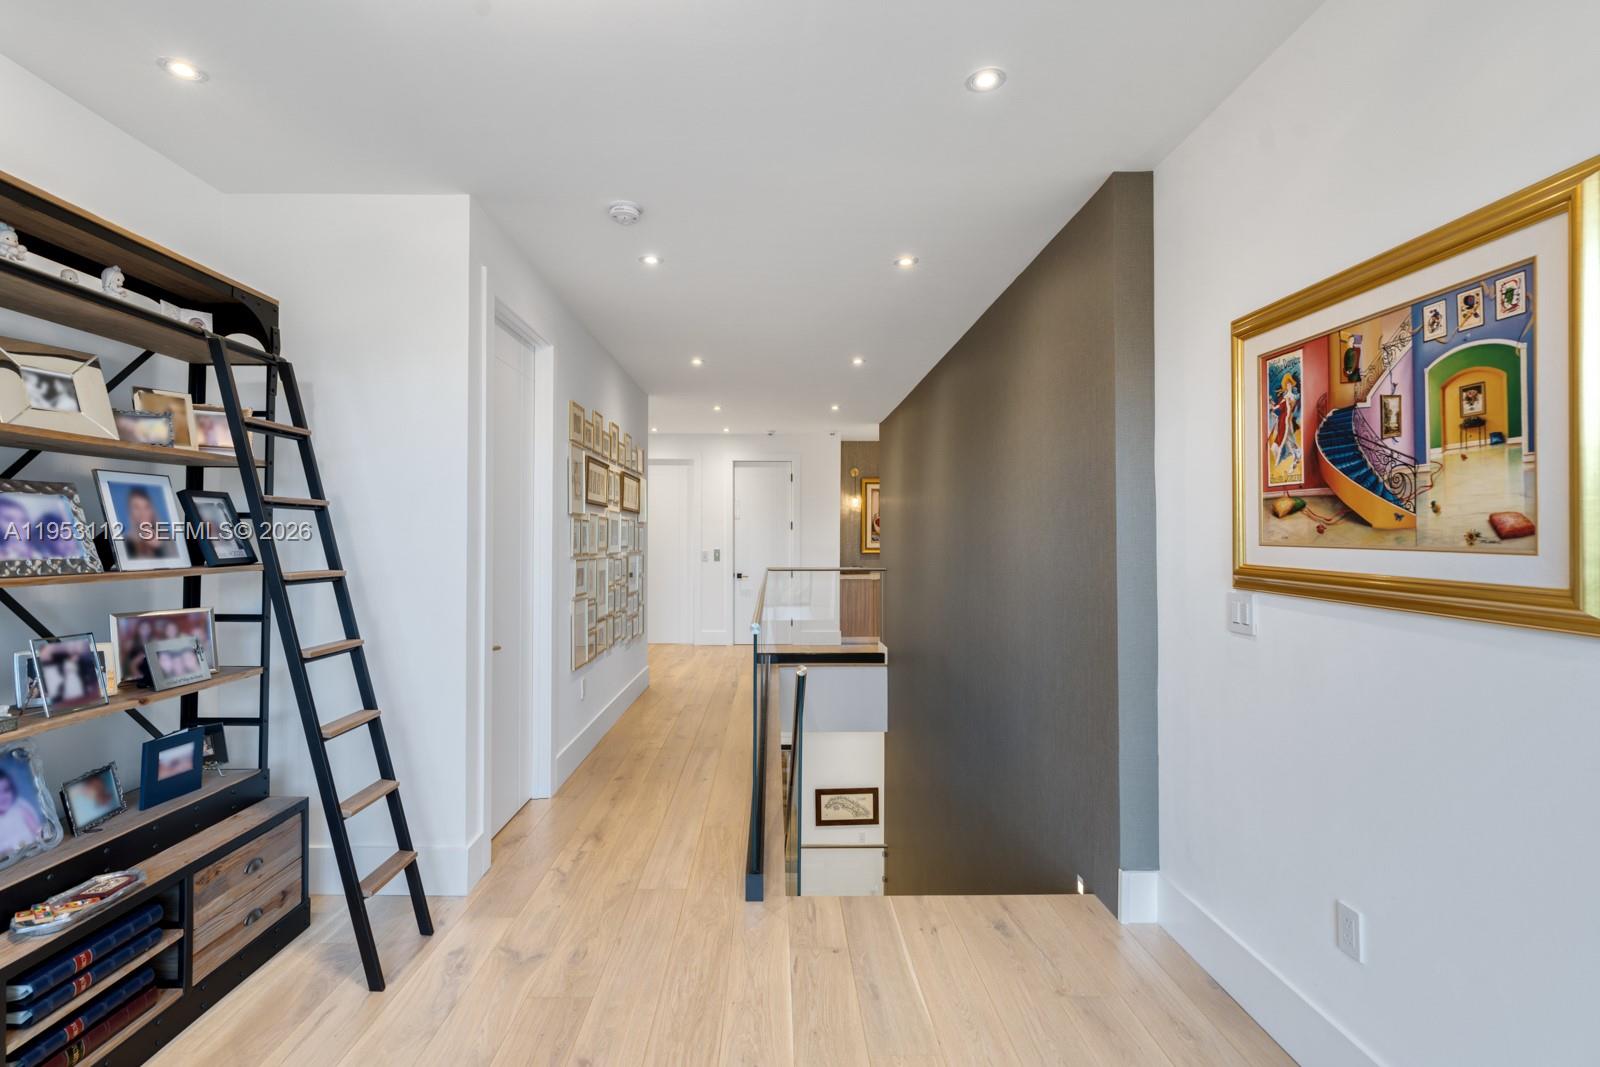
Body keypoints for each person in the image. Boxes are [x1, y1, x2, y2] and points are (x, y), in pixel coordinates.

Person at [120, 487, 177, 560]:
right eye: (136, 507)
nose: (142, 512)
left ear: (152, 511)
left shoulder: (167, 538)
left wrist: (158, 547)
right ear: (130, 512)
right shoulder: (125, 542)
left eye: (146, 507)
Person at [0, 764, 44, 854]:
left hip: (33, 851)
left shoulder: (20, 810)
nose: (2, 797)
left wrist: (42, 838)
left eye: (6, 790)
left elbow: (37, 830)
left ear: (12, 790)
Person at [1270, 371, 1301, 473]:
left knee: (1289, 441)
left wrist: (1288, 403)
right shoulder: (1284, 397)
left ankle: (1295, 459)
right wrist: (1273, 405)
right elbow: (1279, 408)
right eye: (1287, 384)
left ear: (1291, 385)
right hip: (1282, 422)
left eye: (1289, 384)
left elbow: (1290, 407)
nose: (1288, 385)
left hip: (1288, 422)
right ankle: (1295, 458)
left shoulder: (1292, 396)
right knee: (1286, 443)